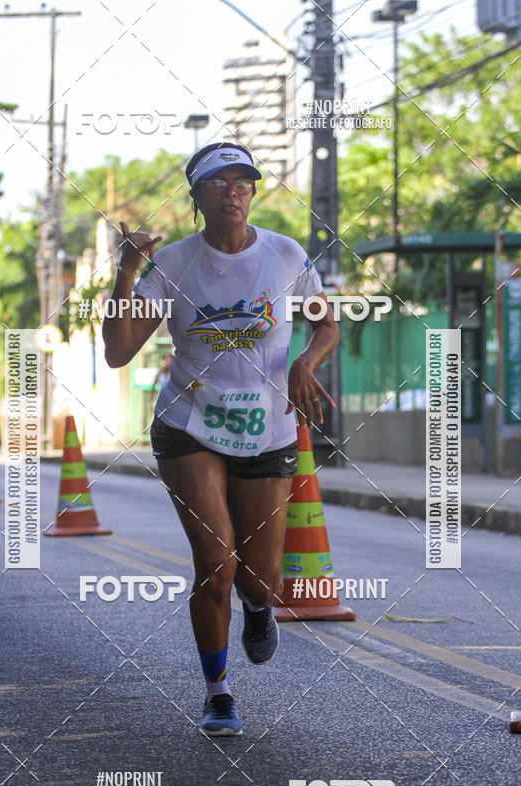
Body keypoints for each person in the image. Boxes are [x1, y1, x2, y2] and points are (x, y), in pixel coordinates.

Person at [102, 142, 339, 737]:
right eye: (217, 183)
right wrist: (126, 272)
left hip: (269, 428)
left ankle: (259, 610)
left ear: (254, 192)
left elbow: (326, 323)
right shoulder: (174, 265)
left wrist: (307, 362)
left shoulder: (285, 255)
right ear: (197, 198)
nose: (232, 192)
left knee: (258, 579)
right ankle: (218, 692)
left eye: (242, 182)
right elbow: (117, 351)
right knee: (216, 561)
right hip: (190, 424)